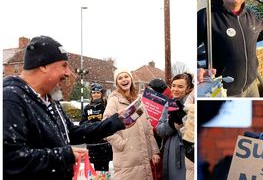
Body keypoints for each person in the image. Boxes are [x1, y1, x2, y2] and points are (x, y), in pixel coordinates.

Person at [3, 36, 130, 180]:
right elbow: (10, 159)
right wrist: (65, 155)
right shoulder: (10, 98)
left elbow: (71, 132)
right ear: (43, 66)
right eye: (64, 65)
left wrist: (114, 122)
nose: (69, 73)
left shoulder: (49, 99)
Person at [103, 69, 160, 180]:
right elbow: (105, 127)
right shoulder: (114, 101)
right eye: (120, 78)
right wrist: (122, 144)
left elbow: (148, 128)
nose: (124, 80)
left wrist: (154, 151)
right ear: (117, 83)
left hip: (143, 157)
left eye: (126, 77)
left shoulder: (139, 101)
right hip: (126, 160)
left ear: (131, 79)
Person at [156, 72, 194, 180]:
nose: (175, 89)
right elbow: (159, 130)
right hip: (170, 151)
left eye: (180, 86)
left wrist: (182, 125)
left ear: (188, 89)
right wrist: (171, 125)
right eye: (173, 85)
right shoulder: (170, 103)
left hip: (186, 153)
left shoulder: (193, 105)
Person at [80, 83, 113, 171]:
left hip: (104, 143)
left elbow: (109, 120)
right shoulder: (87, 108)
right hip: (92, 143)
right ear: (91, 94)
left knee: (104, 169)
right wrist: (90, 122)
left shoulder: (105, 105)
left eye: (98, 92)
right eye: (94, 92)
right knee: (96, 170)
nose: (96, 94)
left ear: (101, 94)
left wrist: (99, 123)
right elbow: (82, 123)